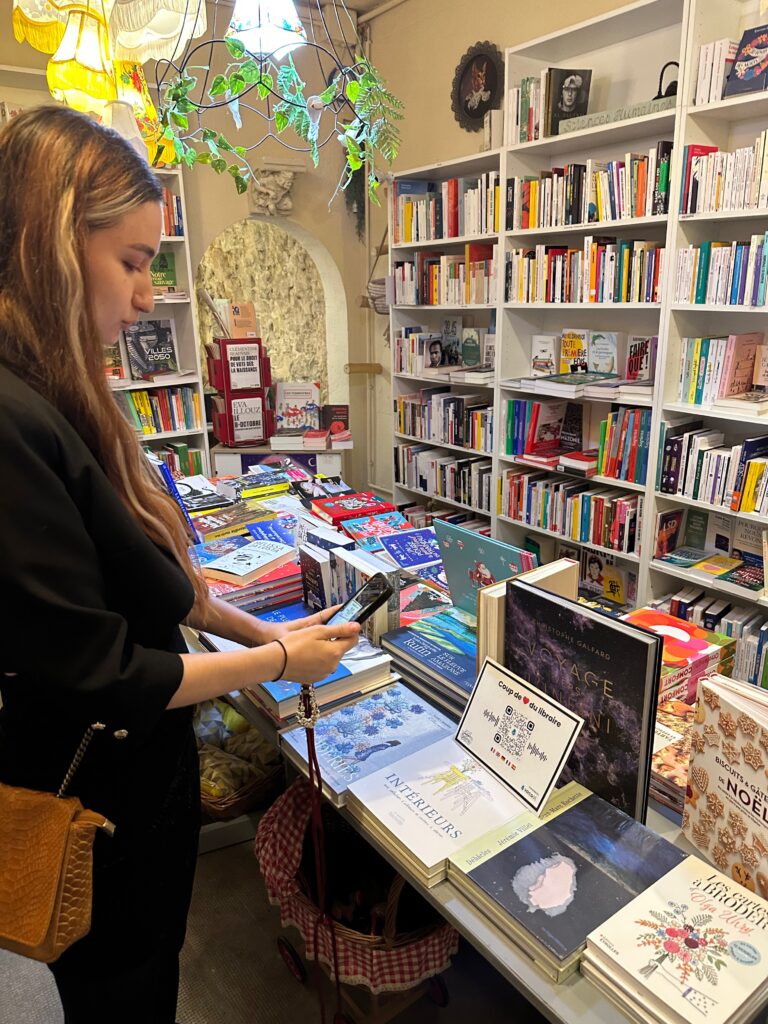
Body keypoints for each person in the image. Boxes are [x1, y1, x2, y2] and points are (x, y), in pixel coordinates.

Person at [0, 106, 360, 1024]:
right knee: (124, 995)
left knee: (147, 975)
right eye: (131, 261)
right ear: (52, 245)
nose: (150, 294)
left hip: (138, 797)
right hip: (100, 808)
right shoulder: (13, 419)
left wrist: (264, 629)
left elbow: (162, 587)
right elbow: (108, 674)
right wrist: (282, 663)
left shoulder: (59, 387)